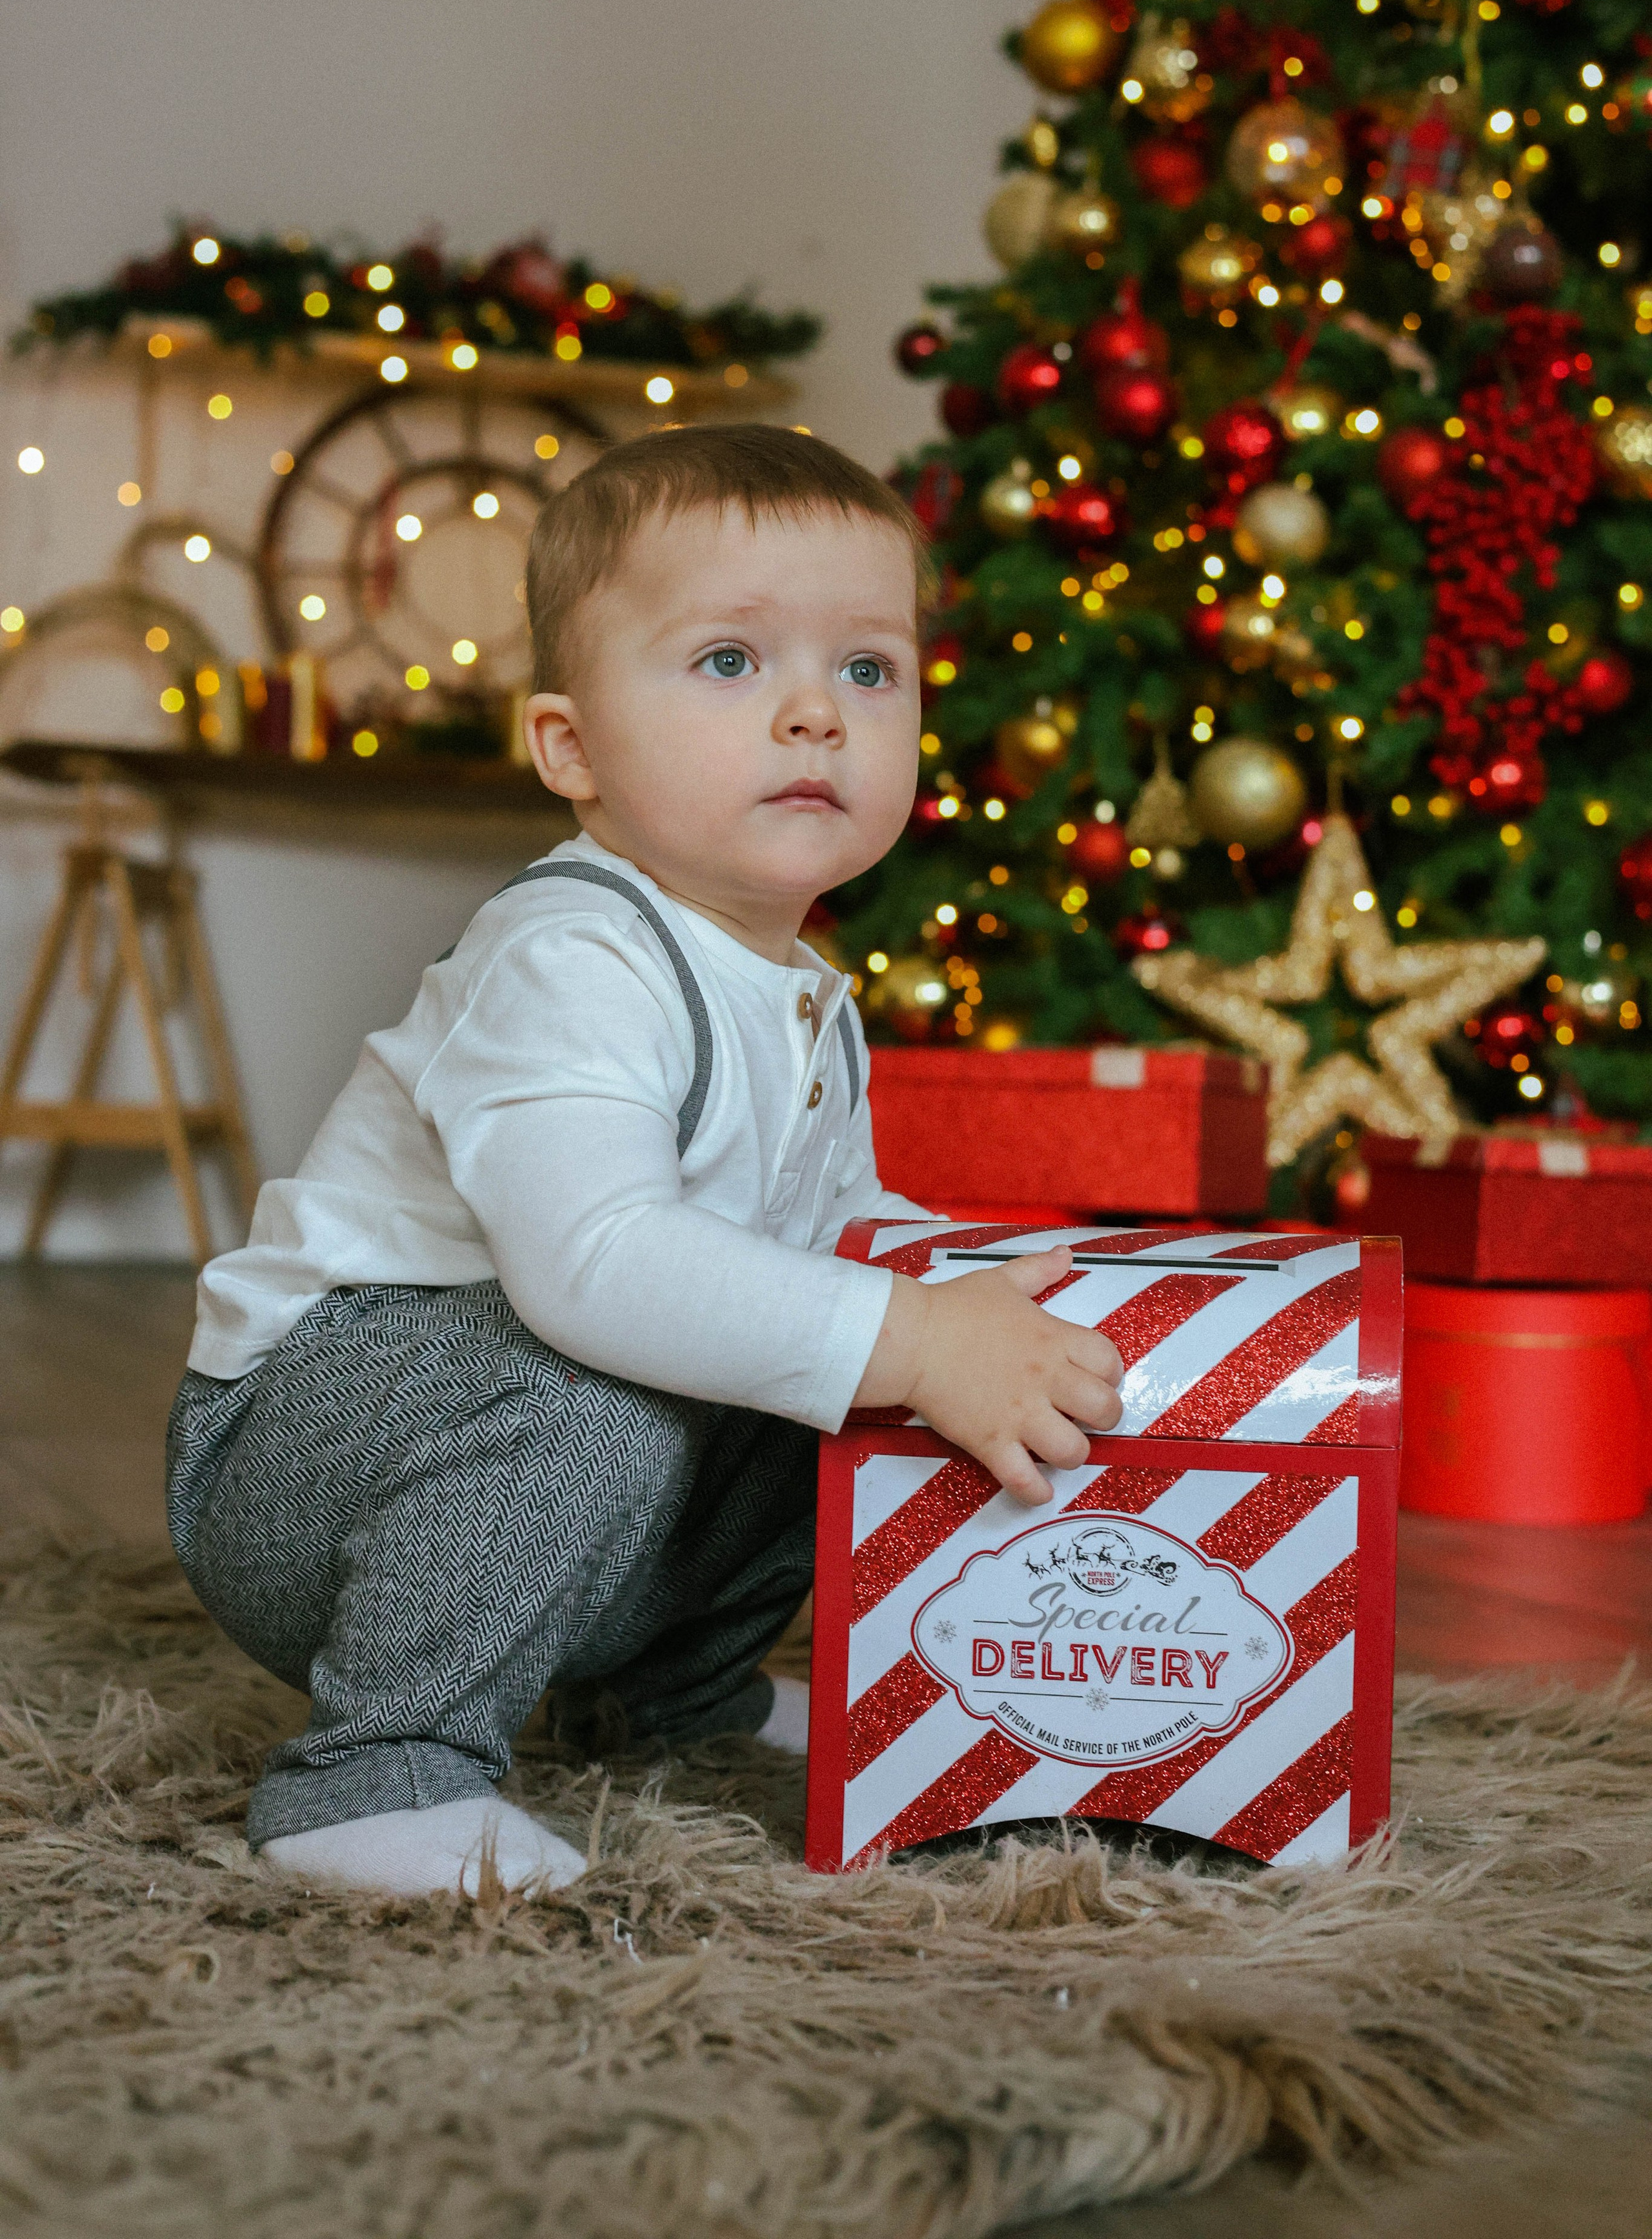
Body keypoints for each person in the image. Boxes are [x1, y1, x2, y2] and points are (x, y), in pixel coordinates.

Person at [166, 424, 1124, 1900]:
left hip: (492, 1443)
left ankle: (667, 1699)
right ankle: (371, 1771)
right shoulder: (570, 954)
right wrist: (910, 1334)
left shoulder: (803, 991)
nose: (814, 714)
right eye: (729, 661)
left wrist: (963, 1300)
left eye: (867, 670)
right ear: (571, 749)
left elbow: (836, 1230)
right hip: (306, 1464)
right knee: (631, 1353)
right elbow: (592, 1263)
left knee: (826, 1356)